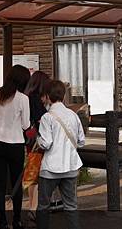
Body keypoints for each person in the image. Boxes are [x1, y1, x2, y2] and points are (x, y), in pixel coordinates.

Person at [0, 64, 31, 229]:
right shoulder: (23, 99)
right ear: (23, 81)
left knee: (0, 185)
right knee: (16, 183)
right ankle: (16, 220)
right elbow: (25, 125)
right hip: (15, 145)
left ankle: (2, 223)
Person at [37, 80, 85, 229]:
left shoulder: (47, 117)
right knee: (71, 205)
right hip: (70, 166)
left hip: (50, 169)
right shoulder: (73, 115)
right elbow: (81, 141)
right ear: (63, 96)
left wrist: (38, 139)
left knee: (43, 206)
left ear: (48, 97)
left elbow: (46, 143)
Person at [23, 71, 51, 212]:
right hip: (37, 142)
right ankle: (34, 208)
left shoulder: (26, 97)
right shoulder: (35, 99)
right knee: (38, 175)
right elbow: (43, 119)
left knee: (32, 175)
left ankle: (31, 205)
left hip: (29, 141)